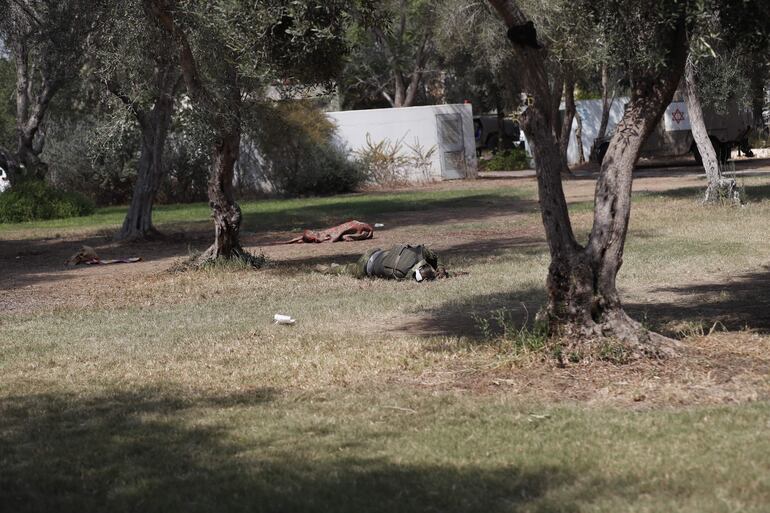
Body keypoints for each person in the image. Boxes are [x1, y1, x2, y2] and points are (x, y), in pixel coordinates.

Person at [317, 244, 446, 282]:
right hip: (365, 266)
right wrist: (440, 271)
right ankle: (322, 268)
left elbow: (432, 254)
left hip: (375, 252)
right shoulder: (403, 275)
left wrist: (440, 268)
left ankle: (334, 267)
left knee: (345, 268)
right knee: (345, 270)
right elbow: (415, 278)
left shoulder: (419, 253)